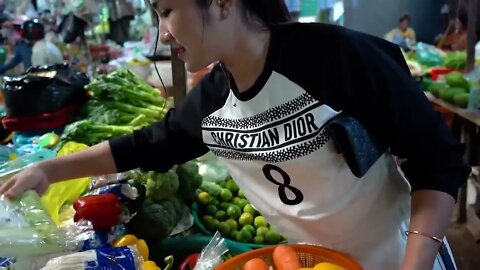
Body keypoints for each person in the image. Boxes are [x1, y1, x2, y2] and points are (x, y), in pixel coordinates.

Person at [0, 0, 470, 269]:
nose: (163, 33)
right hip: (311, 264)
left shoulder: (336, 58)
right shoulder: (213, 100)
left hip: (404, 255)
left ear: (223, 2)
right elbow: (148, 145)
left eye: (168, 10)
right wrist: (48, 168)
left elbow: (439, 161)